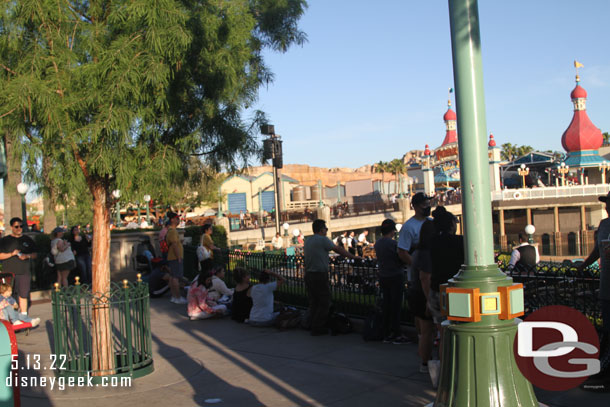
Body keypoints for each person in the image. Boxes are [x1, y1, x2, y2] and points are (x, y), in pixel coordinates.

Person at [304, 219, 361, 336]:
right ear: (321, 230)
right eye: (326, 229)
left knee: (314, 301)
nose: (326, 231)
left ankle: (311, 324)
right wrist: (353, 257)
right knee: (324, 301)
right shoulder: (322, 239)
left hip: (309, 274)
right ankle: (318, 327)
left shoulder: (308, 240)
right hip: (319, 274)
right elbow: (338, 249)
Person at [577, 191, 610, 390]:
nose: (606, 206)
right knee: (607, 330)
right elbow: (597, 250)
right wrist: (584, 265)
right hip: (606, 288)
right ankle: (604, 372)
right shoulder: (604, 225)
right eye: (606, 203)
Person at [397, 192, 433, 373]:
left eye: (428, 203)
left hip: (430, 273)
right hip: (416, 277)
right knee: (421, 315)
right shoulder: (409, 227)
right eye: (423, 204)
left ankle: (424, 345)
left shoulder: (431, 222)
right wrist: (417, 265)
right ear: (415, 206)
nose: (427, 207)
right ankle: (422, 346)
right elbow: (402, 251)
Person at [427, 207, 464, 352]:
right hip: (455, 293)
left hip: (436, 290)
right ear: (451, 225)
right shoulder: (459, 242)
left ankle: (443, 370)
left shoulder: (432, 242)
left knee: (443, 335)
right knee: (458, 333)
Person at [374, 219, 408, 344]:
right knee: (396, 305)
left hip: (384, 276)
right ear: (393, 231)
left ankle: (386, 332)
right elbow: (400, 257)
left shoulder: (378, 244)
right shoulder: (393, 244)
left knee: (387, 304)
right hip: (395, 275)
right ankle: (397, 333)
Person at [0, 218, 38, 316]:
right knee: (9, 296)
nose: (19, 228)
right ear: (12, 227)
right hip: (9, 273)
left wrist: (27, 256)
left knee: (23, 294)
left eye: (21, 226)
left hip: (24, 271)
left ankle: (24, 317)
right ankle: (11, 318)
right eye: (16, 226)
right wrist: (11, 254)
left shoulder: (27, 240)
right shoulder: (5, 240)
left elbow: (35, 254)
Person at [166, 212, 187, 304]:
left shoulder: (170, 231)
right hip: (175, 257)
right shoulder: (173, 231)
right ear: (172, 220)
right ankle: (177, 297)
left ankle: (174, 296)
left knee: (172, 276)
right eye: (177, 219)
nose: (178, 220)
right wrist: (178, 257)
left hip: (172, 257)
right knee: (175, 277)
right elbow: (174, 245)